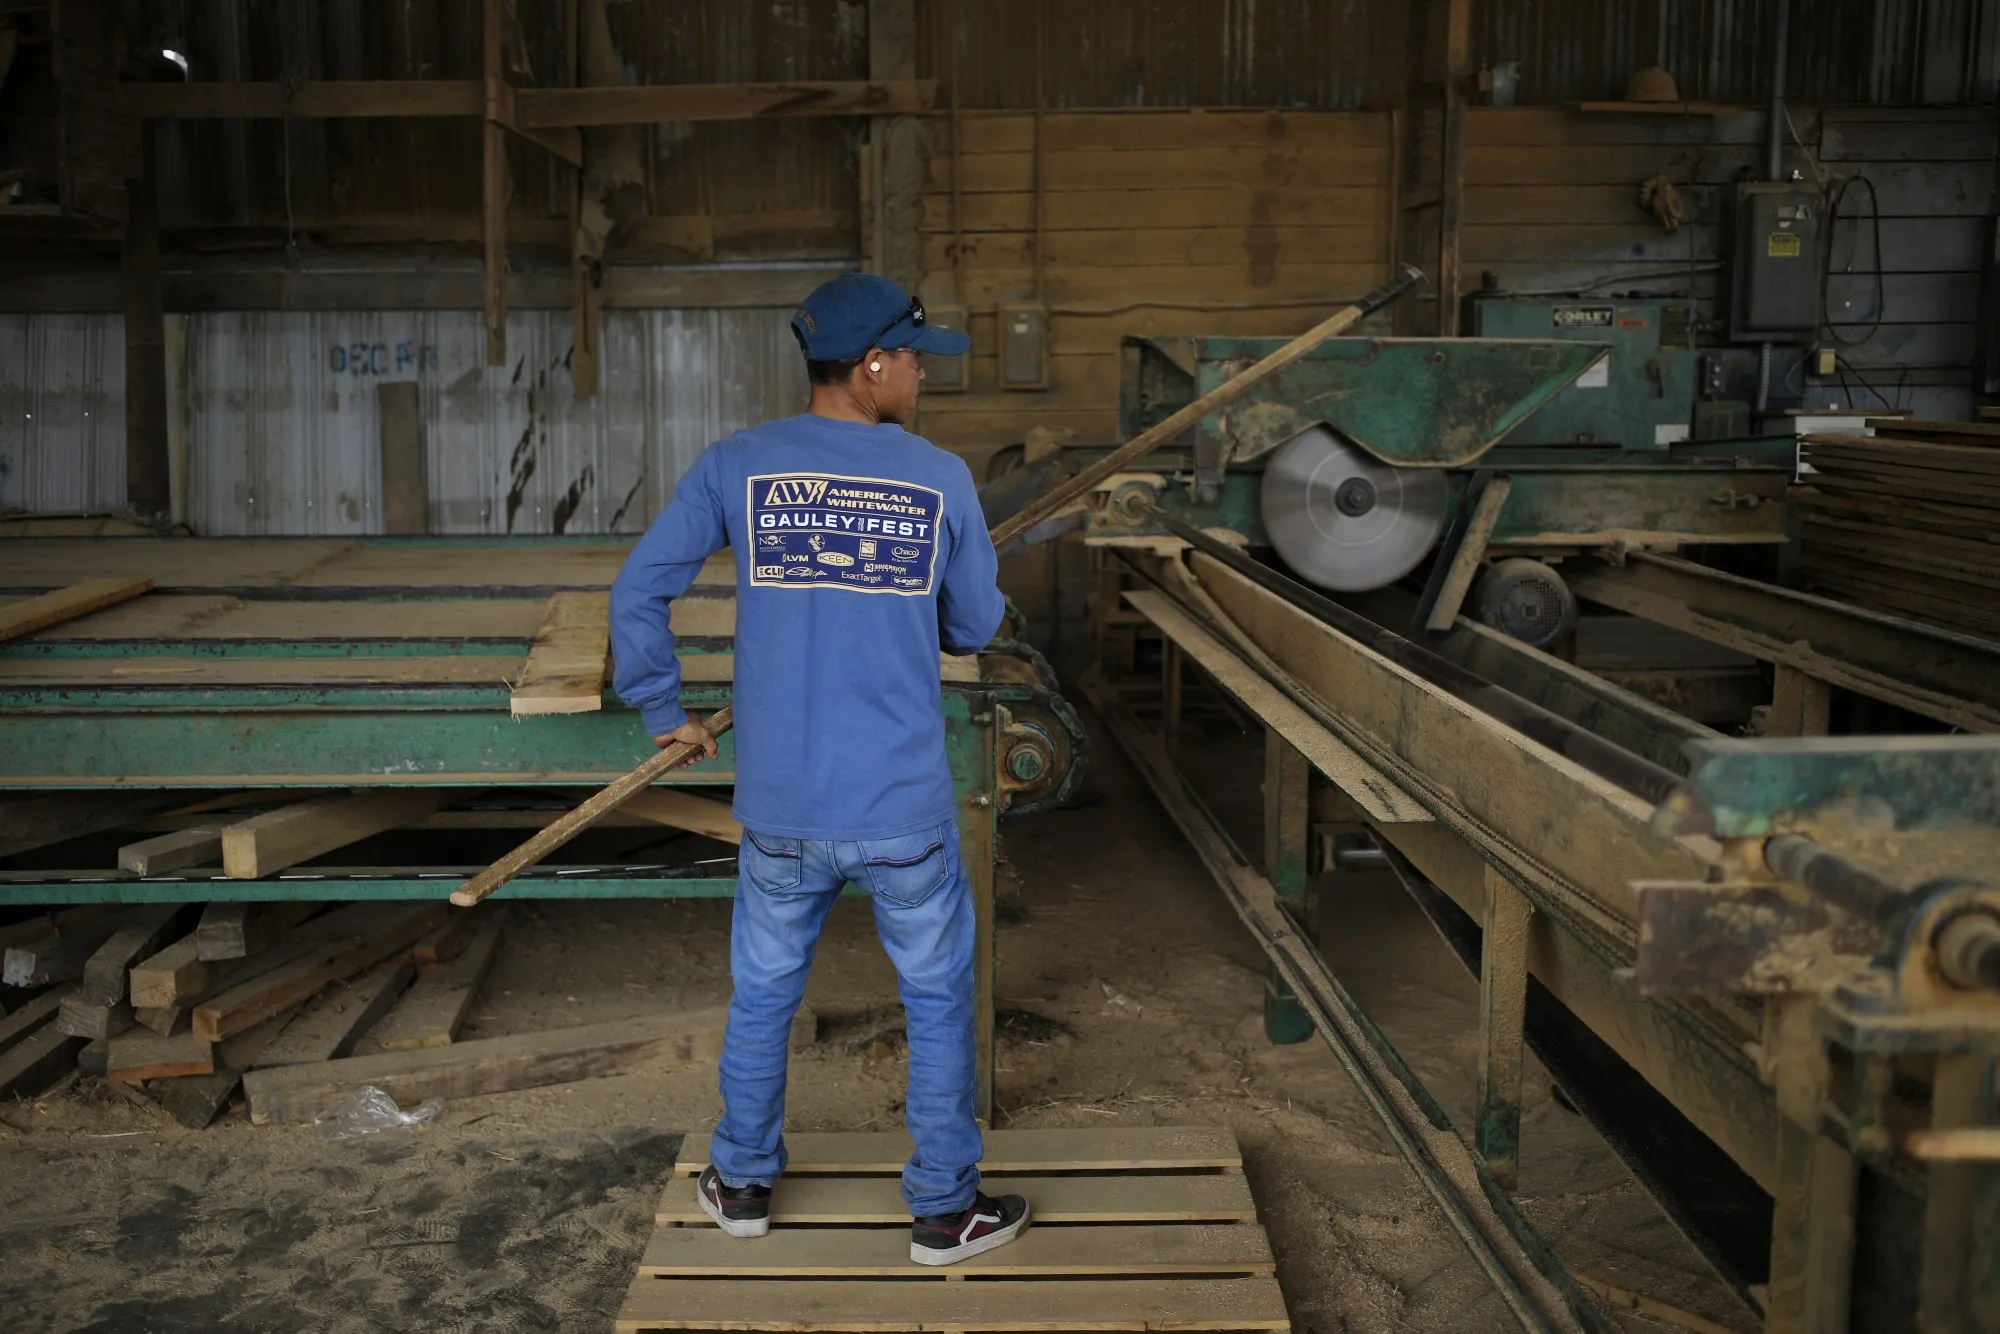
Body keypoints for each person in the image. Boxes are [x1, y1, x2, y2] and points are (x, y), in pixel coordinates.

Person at [609, 272, 1029, 1266]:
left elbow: (639, 589)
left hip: (782, 810)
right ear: (871, 363)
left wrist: (664, 712)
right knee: (934, 996)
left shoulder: (738, 466)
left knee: (762, 990)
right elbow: (972, 625)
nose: (923, 375)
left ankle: (743, 1183)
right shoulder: (938, 478)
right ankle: (940, 1211)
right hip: (901, 811)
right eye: (914, 358)